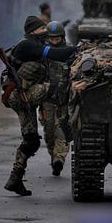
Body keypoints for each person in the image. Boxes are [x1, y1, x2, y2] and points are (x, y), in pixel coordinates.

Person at [3, 16, 77, 196]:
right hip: (21, 96)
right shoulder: (28, 45)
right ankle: (65, 123)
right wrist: (79, 49)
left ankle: (15, 178)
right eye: (42, 28)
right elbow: (57, 54)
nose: (45, 30)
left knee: (31, 141)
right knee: (55, 87)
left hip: (23, 98)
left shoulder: (31, 44)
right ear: (33, 31)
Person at [41, 21, 71, 176]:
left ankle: (59, 158)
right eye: (51, 38)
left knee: (62, 129)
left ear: (62, 37)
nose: (54, 41)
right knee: (48, 130)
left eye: (57, 38)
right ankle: (54, 155)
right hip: (46, 97)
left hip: (63, 98)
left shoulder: (68, 52)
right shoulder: (43, 53)